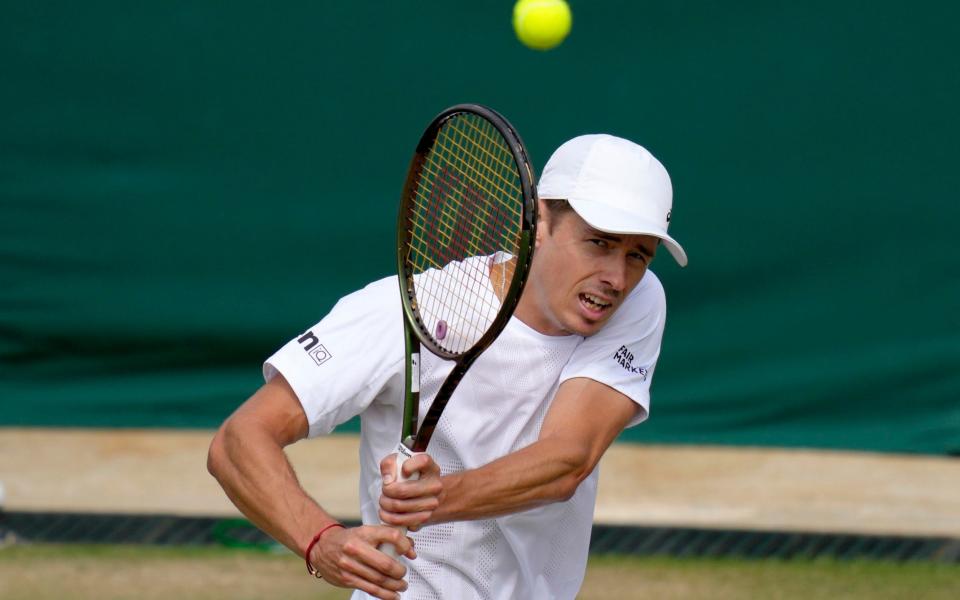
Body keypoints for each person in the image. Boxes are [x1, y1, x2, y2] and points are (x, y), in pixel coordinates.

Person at [207, 133, 687, 600]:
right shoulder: (400, 311)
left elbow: (568, 460)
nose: (616, 277)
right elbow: (239, 439)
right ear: (538, 221)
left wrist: (438, 496)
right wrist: (321, 540)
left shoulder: (638, 303)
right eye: (599, 243)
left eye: (637, 255)